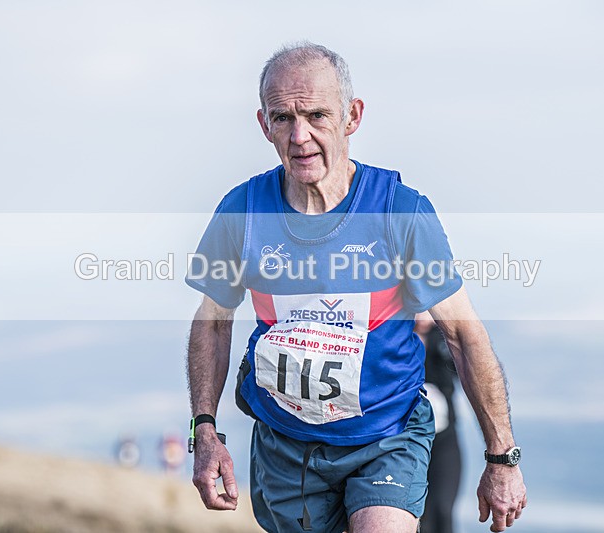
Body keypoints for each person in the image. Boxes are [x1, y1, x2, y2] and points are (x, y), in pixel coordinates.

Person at [185, 42, 527, 533]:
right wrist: (205, 429)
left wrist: (503, 459)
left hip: (387, 436)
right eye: (283, 118)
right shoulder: (241, 212)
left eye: (317, 115)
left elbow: (464, 336)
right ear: (264, 125)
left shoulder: (400, 212)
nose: (300, 136)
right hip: (287, 443)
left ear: (352, 116)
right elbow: (212, 322)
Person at [415, 312, 462, 533]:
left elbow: (466, 368)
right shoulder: (392, 340)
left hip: (443, 440)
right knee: (419, 515)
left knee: (442, 509)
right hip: (404, 442)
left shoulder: (444, 341)